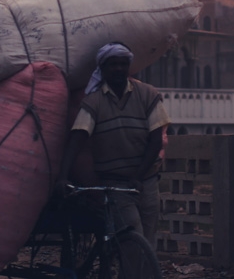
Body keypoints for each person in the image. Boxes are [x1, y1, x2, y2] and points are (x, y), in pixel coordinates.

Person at [58, 42, 170, 248]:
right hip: (116, 184)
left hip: (146, 179)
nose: (118, 69)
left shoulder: (148, 94)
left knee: (149, 239)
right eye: (113, 64)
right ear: (102, 68)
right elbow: (78, 138)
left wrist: (138, 176)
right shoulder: (94, 102)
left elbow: (156, 140)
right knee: (132, 234)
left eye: (123, 64)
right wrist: (63, 176)